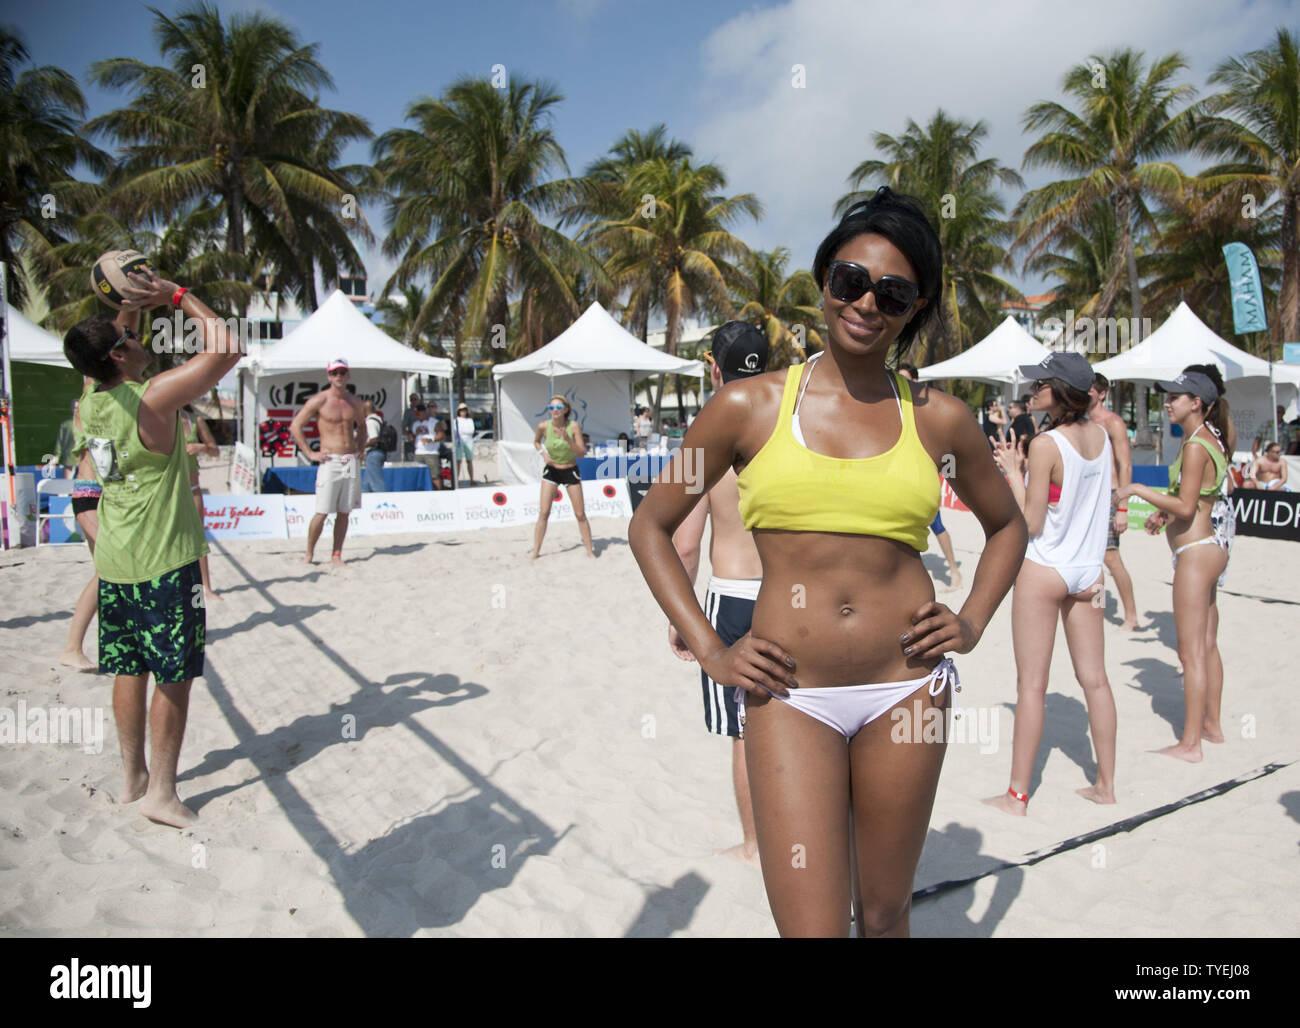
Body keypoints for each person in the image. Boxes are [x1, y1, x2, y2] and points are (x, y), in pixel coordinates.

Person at [629, 188, 1026, 937]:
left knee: (882, 916)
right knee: (810, 928)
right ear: (824, 282)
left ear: (914, 309)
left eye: (894, 293)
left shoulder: (937, 417)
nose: (866, 303)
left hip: (906, 690)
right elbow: (652, 525)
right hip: (791, 696)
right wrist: (713, 649)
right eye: (850, 280)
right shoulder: (745, 408)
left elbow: (1007, 526)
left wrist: (970, 621)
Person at [63, 266, 242, 827]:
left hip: (116, 561)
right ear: (119, 357)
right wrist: (178, 295)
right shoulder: (155, 399)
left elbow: (118, 339)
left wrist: (130, 303)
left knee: (127, 668)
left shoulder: (89, 400)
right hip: (165, 563)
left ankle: (132, 777)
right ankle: (162, 793)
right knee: (172, 677)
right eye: (132, 339)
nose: (140, 339)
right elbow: (227, 346)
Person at [983, 352, 1117, 815]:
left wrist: (1013, 474)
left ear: (1060, 390)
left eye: (1040, 383)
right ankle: (1106, 786)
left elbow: (1033, 522)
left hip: (1045, 569)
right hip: (1089, 570)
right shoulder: (1102, 435)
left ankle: (1017, 796)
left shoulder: (1045, 444)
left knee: (1032, 687)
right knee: (1095, 681)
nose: (1032, 390)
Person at [669, 321, 770, 865]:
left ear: (715, 369)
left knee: (745, 731)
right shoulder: (789, 429)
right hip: (790, 593)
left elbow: (684, 544)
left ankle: (756, 846)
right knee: (800, 722)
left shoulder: (705, 435)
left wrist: (681, 616)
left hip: (731, 595)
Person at [1117, 367, 1236, 762]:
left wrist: (1137, 490)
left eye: (1175, 397)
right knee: (1206, 644)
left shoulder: (1195, 445)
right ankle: (1213, 727)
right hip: (1211, 547)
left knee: (1190, 654)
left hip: (1196, 553)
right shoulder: (1210, 437)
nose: (1167, 403)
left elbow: (1187, 505)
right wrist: (1164, 517)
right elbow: (1198, 500)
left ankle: (1190, 745)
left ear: (1196, 402)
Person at [290, 358, 364, 566]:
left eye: (342, 372)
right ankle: (309, 553)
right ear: (328, 376)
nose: (339, 376)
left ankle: (336, 554)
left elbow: (363, 428)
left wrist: (360, 448)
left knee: (344, 511)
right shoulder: (319, 400)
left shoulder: (354, 402)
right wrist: (310, 453)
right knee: (322, 511)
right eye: (335, 373)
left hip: (350, 459)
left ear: (348, 375)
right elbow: (296, 426)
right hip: (330, 459)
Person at [899, 363, 963, 592]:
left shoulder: (927, 409)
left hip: (923, 473)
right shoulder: (895, 407)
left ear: (915, 382)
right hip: (900, 475)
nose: (901, 383)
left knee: (937, 524)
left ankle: (954, 571)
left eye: (906, 379)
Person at [1089, 373, 1139, 629]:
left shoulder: (1113, 422)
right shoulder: (1082, 422)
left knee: (1111, 558)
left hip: (1110, 494)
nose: (1085, 392)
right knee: (1091, 557)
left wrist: (1123, 506)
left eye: (1090, 389)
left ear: (1101, 393)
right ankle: (1097, 608)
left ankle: (1131, 615)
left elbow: (1125, 464)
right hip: (1088, 495)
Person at [59, 383, 103, 670]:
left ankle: (76, 646)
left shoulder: (94, 401)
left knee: (108, 571)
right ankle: (72, 647)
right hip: (90, 493)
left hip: (96, 493)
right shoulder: (91, 402)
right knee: (108, 570)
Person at [531, 394, 595, 559]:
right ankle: (536, 552)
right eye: (551, 407)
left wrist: (568, 439)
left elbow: (581, 453)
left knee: (580, 514)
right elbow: (536, 441)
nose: (554, 411)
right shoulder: (544, 426)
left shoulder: (573, 427)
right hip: (552, 471)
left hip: (570, 470)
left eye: (558, 408)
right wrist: (543, 454)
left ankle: (590, 551)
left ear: (565, 410)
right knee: (544, 512)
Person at [180, 405, 220, 600]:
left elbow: (215, 451)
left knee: (198, 539)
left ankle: (206, 587)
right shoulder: (161, 417)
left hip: (192, 487)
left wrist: (201, 447)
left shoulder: (195, 420)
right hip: (170, 491)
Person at [410, 402, 445, 491]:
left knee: (434, 476)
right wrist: (411, 437)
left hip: (431, 453)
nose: (417, 416)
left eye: (419, 413)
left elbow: (441, 435)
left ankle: (438, 494)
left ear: (424, 412)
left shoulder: (434, 422)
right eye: (416, 414)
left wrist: (430, 439)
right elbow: (413, 437)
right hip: (418, 453)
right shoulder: (415, 424)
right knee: (418, 476)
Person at [361, 401, 386, 493]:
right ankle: (365, 500)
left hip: (374, 453)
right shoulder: (378, 419)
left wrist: (361, 446)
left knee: (376, 482)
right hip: (377, 452)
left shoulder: (370, 422)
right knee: (366, 484)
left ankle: (382, 502)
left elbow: (374, 439)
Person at [454, 403, 476, 485]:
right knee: (458, 461)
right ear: (459, 411)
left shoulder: (470, 420)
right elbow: (456, 431)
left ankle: (472, 479)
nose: (463, 412)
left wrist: (462, 431)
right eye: (461, 410)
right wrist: (463, 431)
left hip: (469, 442)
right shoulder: (455, 420)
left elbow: (471, 431)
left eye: (464, 410)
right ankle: (456, 480)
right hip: (459, 442)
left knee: (469, 460)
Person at [401, 392, 422, 461]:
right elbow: (403, 427)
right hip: (412, 436)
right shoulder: (408, 412)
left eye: (415, 399)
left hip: (423, 436)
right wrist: (409, 435)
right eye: (411, 399)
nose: (413, 401)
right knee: (411, 458)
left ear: (419, 400)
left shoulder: (424, 410)